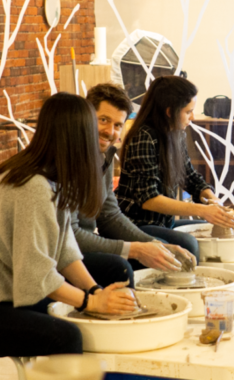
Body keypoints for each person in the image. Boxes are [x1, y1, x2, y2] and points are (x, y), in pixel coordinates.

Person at [0, 93, 137, 356]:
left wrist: (95, 290)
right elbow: (38, 276)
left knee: (110, 275)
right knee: (67, 337)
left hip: (6, 295)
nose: (104, 137)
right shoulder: (32, 186)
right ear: (76, 137)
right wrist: (91, 302)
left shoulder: (51, 178)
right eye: (95, 127)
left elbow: (65, 251)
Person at [73, 84, 196, 286]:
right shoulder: (70, 159)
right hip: (68, 251)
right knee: (119, 267)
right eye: (103, 120)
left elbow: (110, 215)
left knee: (169, 248)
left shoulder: (104, 155)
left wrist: (153, 244)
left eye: (117, 125)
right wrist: (137, 249)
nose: (109, 131)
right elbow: (69, 236)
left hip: (85, 240)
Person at [117, 76, 234, 253]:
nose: (193, 117)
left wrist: (212, 200)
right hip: (136, 224)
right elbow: (149, 200)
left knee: (209, 229)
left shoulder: (175, 133)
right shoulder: (143, 137)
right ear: (169, 111)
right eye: (188, 111)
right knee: (189, 243)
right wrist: (202, 210)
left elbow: (190, 177)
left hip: (163, 222)